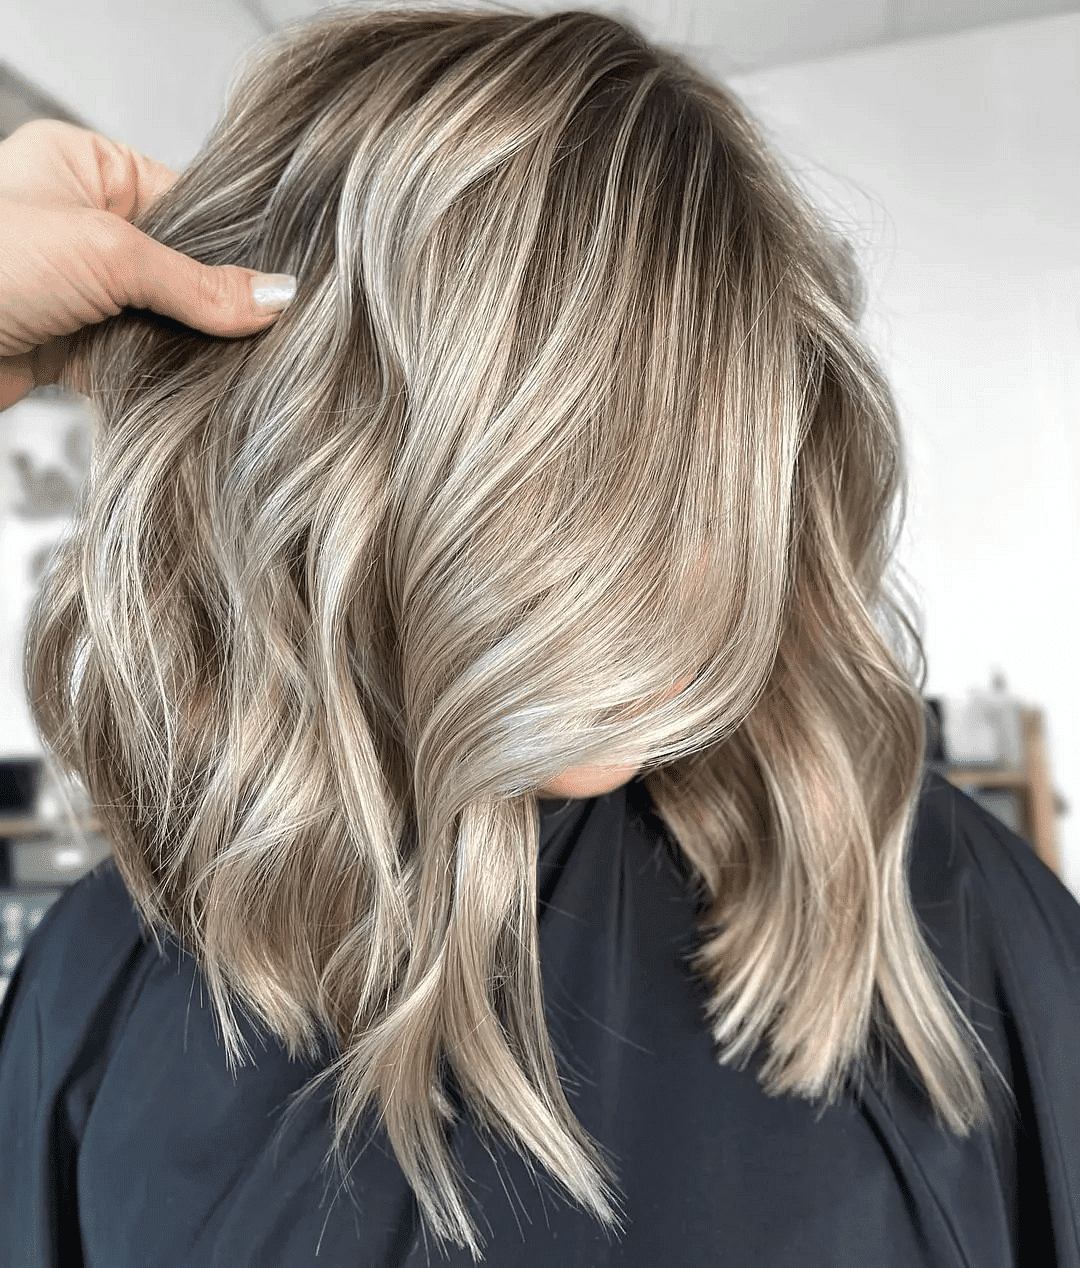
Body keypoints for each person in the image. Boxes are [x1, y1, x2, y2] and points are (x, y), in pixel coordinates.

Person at [0, 6, 1078, 1266]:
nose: (691, 574)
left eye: (715, 473)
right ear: (352, 463)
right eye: (587, 468)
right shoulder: (102, 987)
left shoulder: (941, 923)